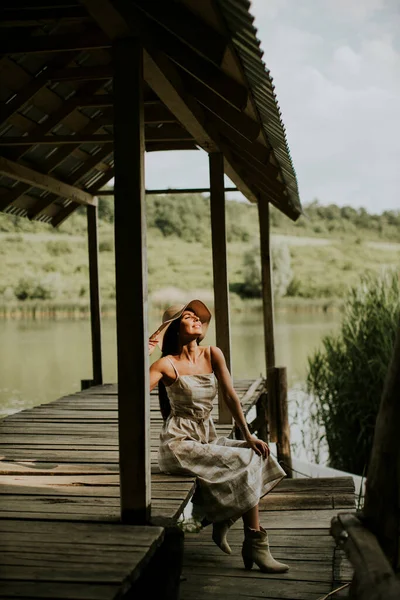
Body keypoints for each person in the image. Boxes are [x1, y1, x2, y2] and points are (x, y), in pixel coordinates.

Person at [149, 299, 289, 574]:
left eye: (199, 317)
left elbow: (230, 396)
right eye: (189, 317)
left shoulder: (213, 353)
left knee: (257, 454)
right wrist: (145, 350)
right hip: (179, 444)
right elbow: (133, 393)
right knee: (242, 461)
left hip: (206, 437)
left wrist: (248, 435)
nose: (197, 320)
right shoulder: (166, 364)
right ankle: (255, 542)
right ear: (176, 328)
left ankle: (228, 518)